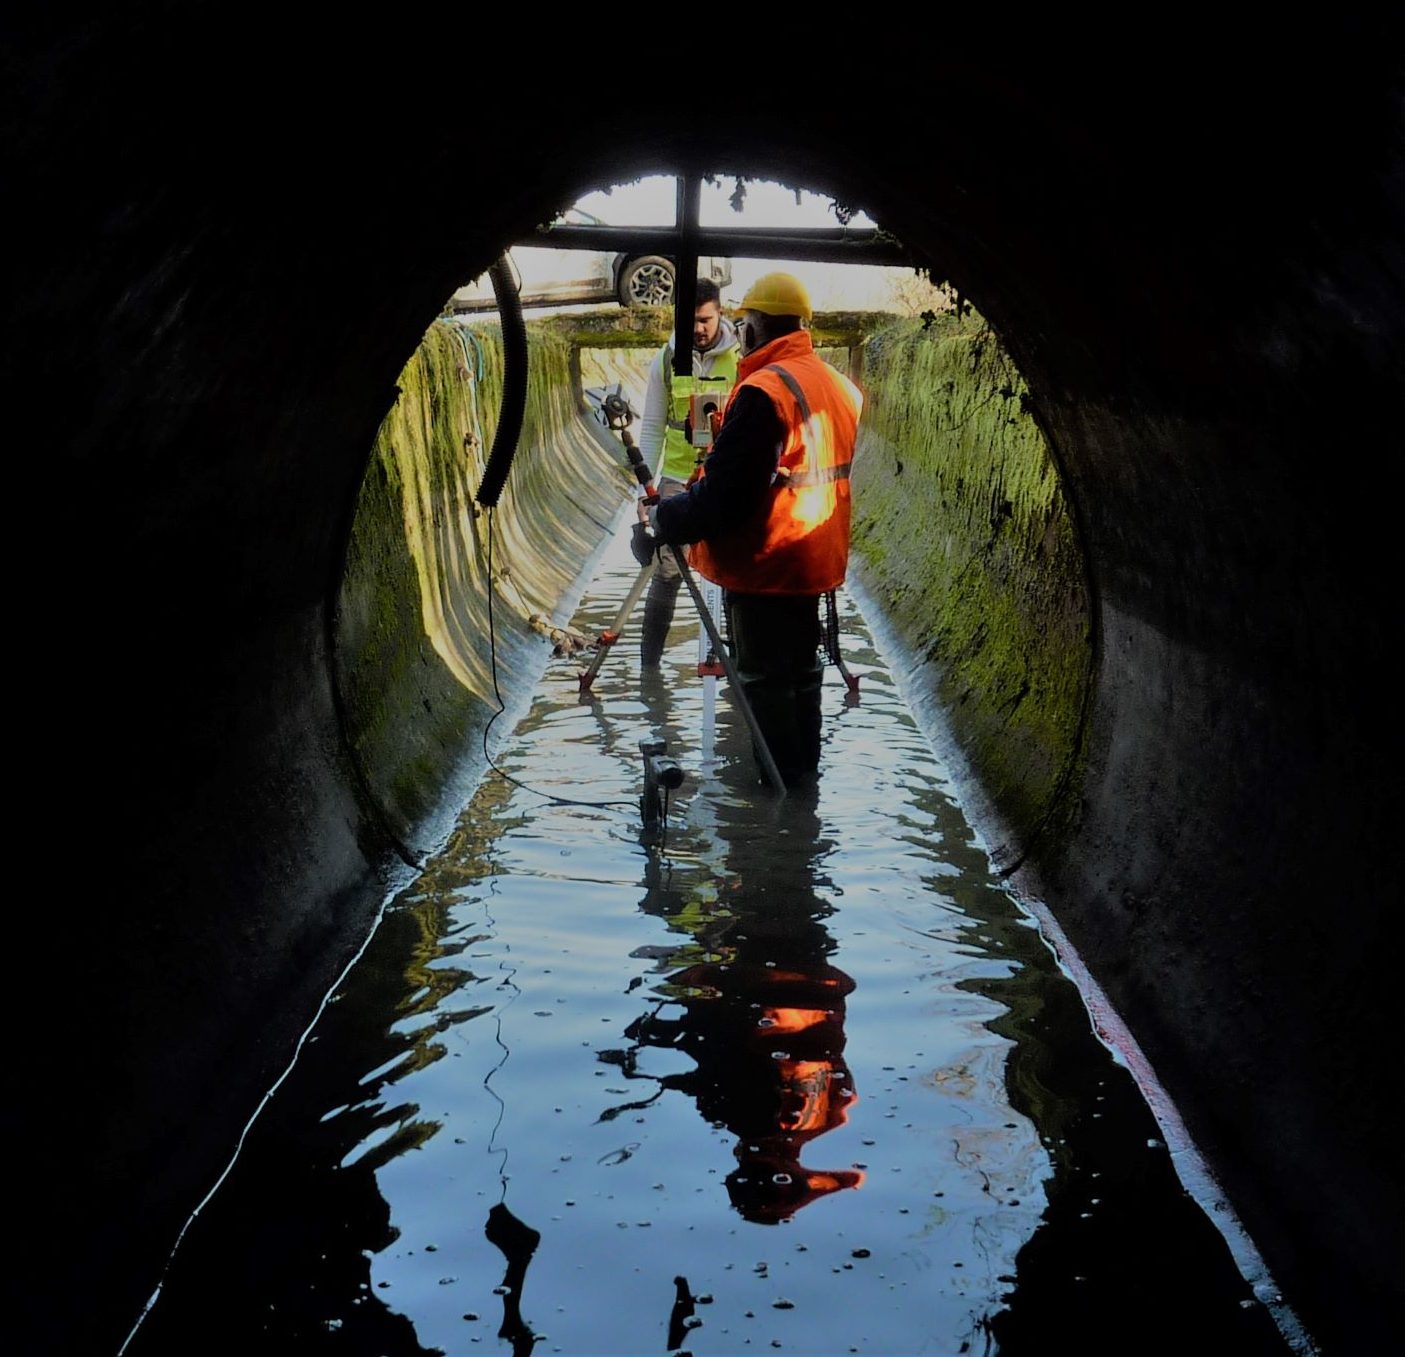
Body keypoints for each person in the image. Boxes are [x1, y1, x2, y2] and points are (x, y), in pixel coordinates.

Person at [643, 272, 864, 785]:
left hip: (768, 559)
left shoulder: (766, 390)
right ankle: (804, 789)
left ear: (755, 325)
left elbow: (727, 497)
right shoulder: (836, 383)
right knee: (803, 674)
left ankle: (778, 795)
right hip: (814, 555)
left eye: (746, 323)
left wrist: (664, 517)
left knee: (764, 680)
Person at [634, 277, 740, 669]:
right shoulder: (665, 360)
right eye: (690, 320)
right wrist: (645, 492)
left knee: (732, 571)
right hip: (678, 478)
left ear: (720, 314)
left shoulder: (742, 357)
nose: (697, 328)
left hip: (725, 479)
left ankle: (738, 662)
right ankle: (649, 668)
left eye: (705, 320)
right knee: (666, 570)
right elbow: (652, 427)